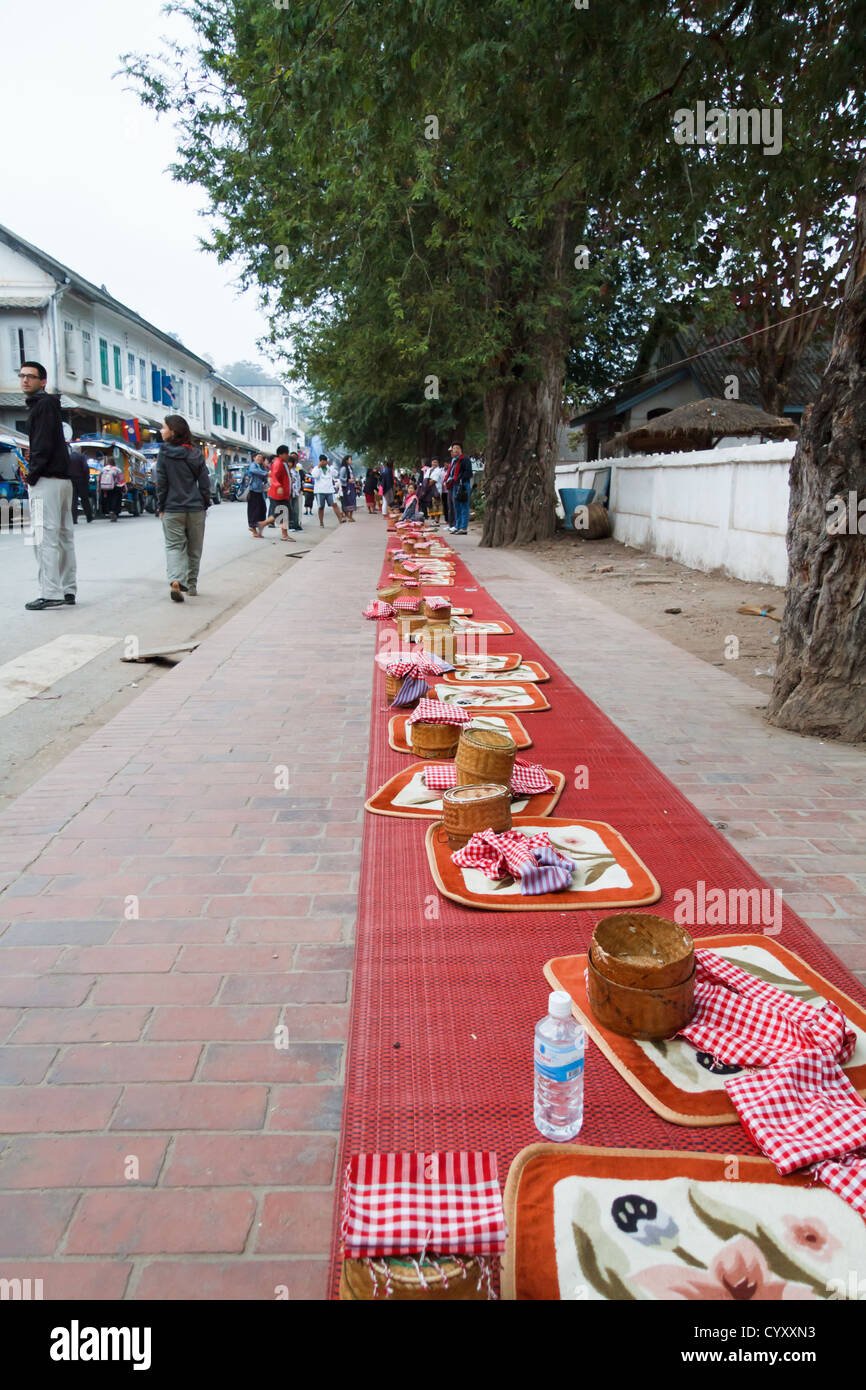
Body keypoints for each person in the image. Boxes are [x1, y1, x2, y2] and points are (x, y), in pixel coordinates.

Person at [19, 360, 77, 610]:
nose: (25, 380)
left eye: (30, 376)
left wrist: (32, 476)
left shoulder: (41, 406)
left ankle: (51, 591)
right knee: (64, 536)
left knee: (44, 536)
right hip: (62, 481)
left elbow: (41, 446)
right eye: (22, 376)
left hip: (47, 481)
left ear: (42, 381)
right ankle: (67, 589)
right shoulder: (51, 405)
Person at [156, 413, 211, 601]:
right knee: (194, 548)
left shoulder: (164, 453)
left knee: (174, 546)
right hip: (195, 508)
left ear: (172, 431)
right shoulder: (196, 453)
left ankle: (176, 581)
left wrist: (161, 506)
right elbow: (205, 483)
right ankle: (192, 586)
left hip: (172, 508)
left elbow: (161, 483)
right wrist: (205, 504)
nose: (161, 431)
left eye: (163, 427)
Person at [256, 449, 295, 541]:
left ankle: (263, 524)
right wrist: (279, 486)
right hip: (278, 493)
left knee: (281, 513)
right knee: (283, 512)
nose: (287, 455)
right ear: (281, 454)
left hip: (282, 493)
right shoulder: (278, 463)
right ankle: (283, 534)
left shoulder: (282, 463)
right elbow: (274, 476)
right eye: (286, 453)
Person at [313, 454, 344, 526]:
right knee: (321, 507)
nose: (324, 463)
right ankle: (321, 522)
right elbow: (315, 476)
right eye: (323, 461)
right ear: (320, 461)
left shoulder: (329, 468)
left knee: (334, 504)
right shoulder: (316, 468)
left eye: (326, 461)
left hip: (330, 490)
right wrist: (318, 467)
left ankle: (340, 519)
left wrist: (330, 466)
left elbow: (335, 474)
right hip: (320, 491)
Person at [449, 442, 473, 534]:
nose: (454, 450)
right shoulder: (454, 460)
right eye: (453, 448)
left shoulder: (465, 459)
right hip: (455, 485)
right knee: (457, 506)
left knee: (464, 506)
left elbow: (469, 473)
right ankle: (458, 526)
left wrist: (460, 478)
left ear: (460, 449)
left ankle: (464, 528)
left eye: (456, 448)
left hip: (463, 485)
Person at [243, 452, 269, 536]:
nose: (260, 459)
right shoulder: (253, 465)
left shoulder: (261, 467)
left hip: (260, 492)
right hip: (253, 490)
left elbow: (265, 479)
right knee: (254, 510)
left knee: (262, 510)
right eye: (258, 457)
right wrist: (266, 473)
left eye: (261, 458)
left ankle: (258, 530)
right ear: (254, 458)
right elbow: (253, 470)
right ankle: (253, 528)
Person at [67, 445, 93, 524]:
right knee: (84, 499)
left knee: (73, 500)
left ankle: (74, 519)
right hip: (81, 481)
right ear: (79, 450)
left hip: (71, 480)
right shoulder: (81, 457)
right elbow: (85, 468)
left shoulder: (68, 457)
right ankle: (89, 517)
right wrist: (86, 479)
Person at [98, 454, 125, 521]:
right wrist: (124, 488)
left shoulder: (103, 469)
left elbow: (99, 479)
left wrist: (99, 488)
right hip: (116, 487)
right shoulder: (117, 469)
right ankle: (114, 511)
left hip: (106, 487)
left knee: (108, 499)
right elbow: (121, 480)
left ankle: (110, 511)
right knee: (116, 499)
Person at [286, 450, 303, 530]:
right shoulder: (285, 470)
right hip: (288, 492)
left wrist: (299, 488)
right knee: (289, 509)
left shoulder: (296, 471)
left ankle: (296, 524)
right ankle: (290, 525)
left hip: (295, 492)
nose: (290, 464)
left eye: (292, 462)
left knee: (296, 509)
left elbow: (299, 480)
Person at [339, 455, 357, 521]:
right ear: (347, 460)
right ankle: (347, 516)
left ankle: (351, 516)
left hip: (352, 485)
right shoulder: (344, 468)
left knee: (353, 500)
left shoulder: (350, 468)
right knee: (347, 501)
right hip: (346, 486)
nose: (351, 461)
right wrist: (347, 480)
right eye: (350, 459)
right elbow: (341, 477)